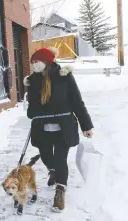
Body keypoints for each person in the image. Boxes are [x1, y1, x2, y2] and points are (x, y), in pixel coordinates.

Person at [24, 47, 94, 212]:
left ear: (47, 61)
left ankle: (60, 192)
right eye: (32, 62)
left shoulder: (64, 76)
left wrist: (86, 125)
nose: (34, 65)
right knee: (48, 158)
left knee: (60, 158)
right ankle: (53, 172)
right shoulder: (32, 81)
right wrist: (33, 110)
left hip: (63, 126)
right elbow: (32, 109)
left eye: (37, 61)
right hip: (42, 128)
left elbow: (77, 101)